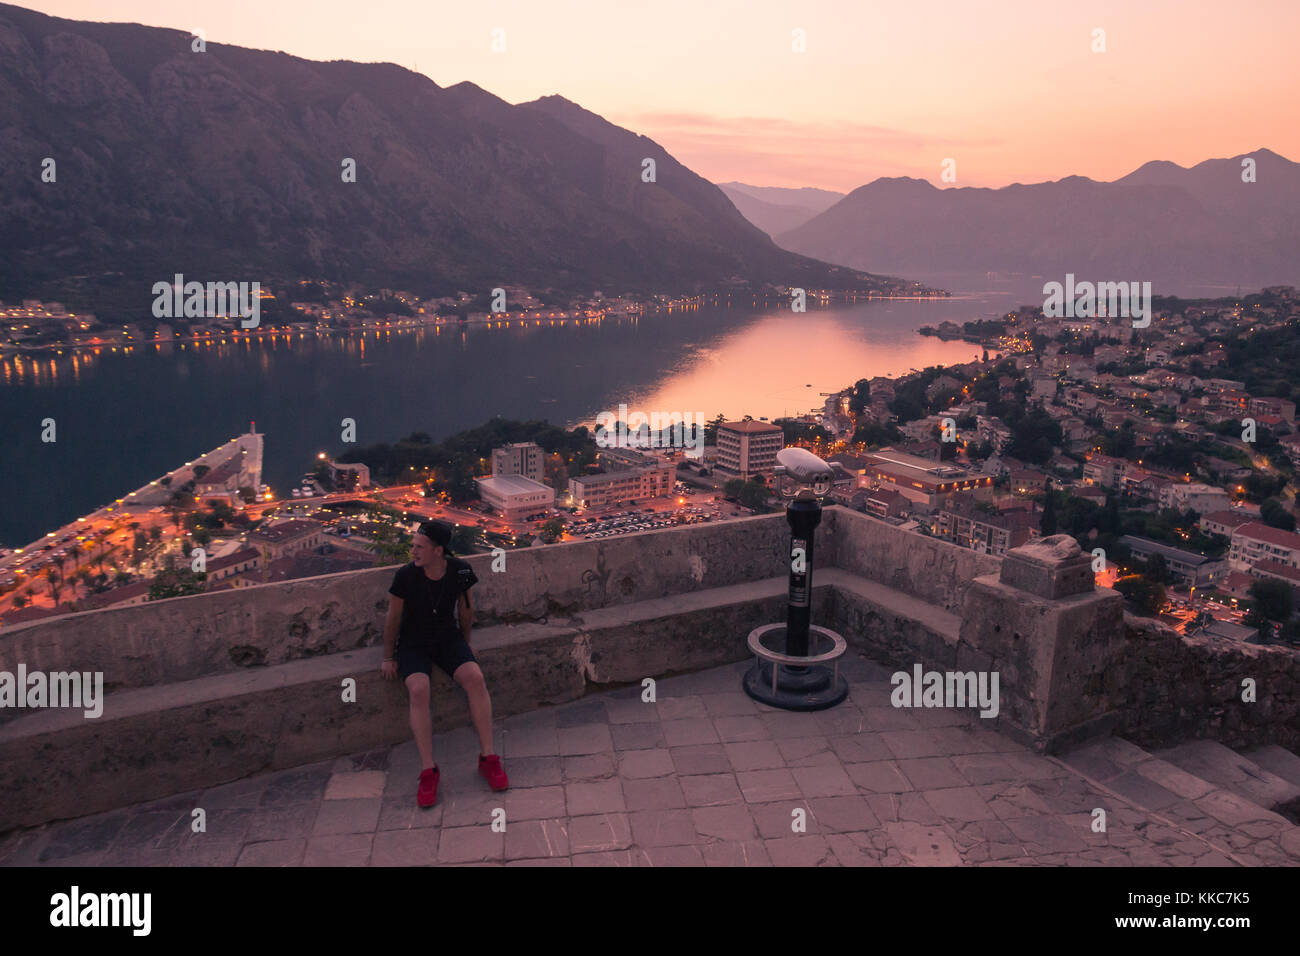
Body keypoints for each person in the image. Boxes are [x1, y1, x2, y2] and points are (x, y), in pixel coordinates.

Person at [381, 520, 507, 808]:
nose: (413, 551)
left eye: (419, 547)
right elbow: (393, 619)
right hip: (413, 642)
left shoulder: (460, 571)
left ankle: (488, 757)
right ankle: (429, 769)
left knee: (475, 677)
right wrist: (389, 656)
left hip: (447, 639)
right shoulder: (405, 577)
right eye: (413, 546)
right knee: (419, 689)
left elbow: (466, 608)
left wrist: (465, 642)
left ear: (438, 551)